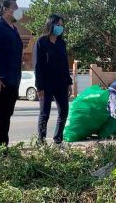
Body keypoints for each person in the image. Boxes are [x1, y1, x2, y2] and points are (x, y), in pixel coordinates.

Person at [0, 0, 23, 146]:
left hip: (13, 79)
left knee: (7, 115)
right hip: (0, 80)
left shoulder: (14, 29)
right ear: (5, 9)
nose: (17, 9)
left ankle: (3, 147)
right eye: (14, 6)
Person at [33, 14, 73, 145]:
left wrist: (69, 82)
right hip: (46, 84)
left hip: (61, 83)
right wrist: (39, 86)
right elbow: (37, 65)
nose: (60, 28)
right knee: (45, 114)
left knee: (64, 112)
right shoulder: (41, 42)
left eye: (62, 25)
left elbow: (65, 64)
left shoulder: (62, 43)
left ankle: (58, 140)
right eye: (58, 25)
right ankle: (41, 142)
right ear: (51, 25)